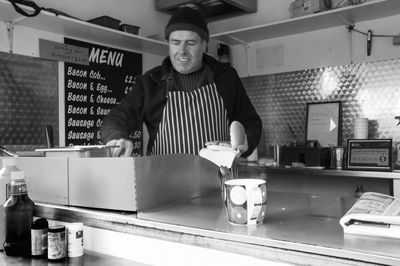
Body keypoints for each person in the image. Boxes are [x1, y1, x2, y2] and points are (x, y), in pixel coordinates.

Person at [101, 7, 262, 158]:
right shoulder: (150, 82)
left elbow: (251, 122)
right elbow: (117, 117)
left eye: (190, 43)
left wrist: (246, 141)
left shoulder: (226, 78)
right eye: (175, 42)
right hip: (164, 184)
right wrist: (116, 137)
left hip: (219, 180)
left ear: (204, 45)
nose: (182, 51)